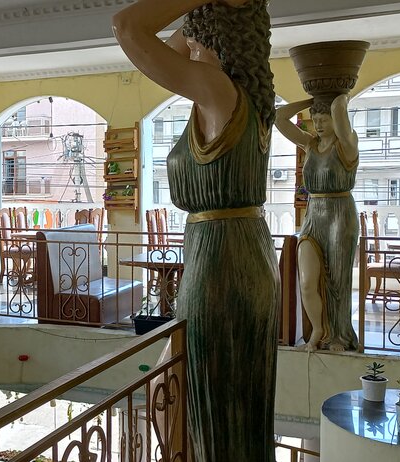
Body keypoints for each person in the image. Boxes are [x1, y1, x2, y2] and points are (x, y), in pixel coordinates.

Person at [114, 0, 279, 459]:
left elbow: (128, 27)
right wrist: (197, 21)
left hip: (223, 264)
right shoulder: (227, 98)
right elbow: (157, 58)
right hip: (230, 253)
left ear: (212, 39)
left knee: (209, 392)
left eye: (192, 36)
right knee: (210, 392)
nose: (184, 46)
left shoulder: (218, 90)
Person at [276, 95, 361, 351]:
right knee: (307, 281)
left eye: (324, 119)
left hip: (340, 215)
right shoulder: (310, 144)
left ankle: (339, 336)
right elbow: (279, 118)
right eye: (315, 120)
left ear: (336, 120)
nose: (319, 124)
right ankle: (317, 330)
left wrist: (339, 94)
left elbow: (339, 108)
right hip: (313, 216)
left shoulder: (347, 145)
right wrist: (310, 100)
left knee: (337, 280)